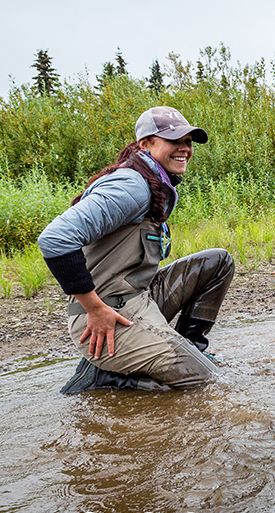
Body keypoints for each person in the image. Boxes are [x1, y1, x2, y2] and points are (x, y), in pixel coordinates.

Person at [38, 106, 235, 394]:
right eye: (174, 141)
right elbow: (55, 238)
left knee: (218, 262)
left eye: (188, 142)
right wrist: (94, 308)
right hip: (105, 315)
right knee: (206, 382)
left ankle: (190, 348)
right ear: (145, 144)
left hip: (139, 297)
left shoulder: (154, 179)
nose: (184, 149)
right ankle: (106, 378)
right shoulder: (131, 186)